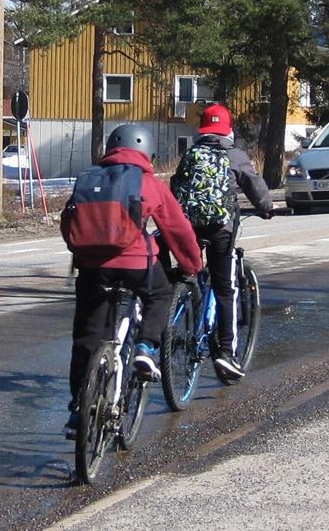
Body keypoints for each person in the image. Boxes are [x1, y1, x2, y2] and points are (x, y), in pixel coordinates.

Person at [64, 124, 203, 436]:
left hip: (91, 268)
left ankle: (78, 410)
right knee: (160, 294)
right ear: (147, 153)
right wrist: (192, 265)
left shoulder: (88, 178)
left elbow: (68, 222)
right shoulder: (148, 182)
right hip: (136, 265)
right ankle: (144, 348)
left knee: (87, 339)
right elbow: (176, 229)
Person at [171, 103, 274, 381]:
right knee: (225, 288)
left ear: (201, 130)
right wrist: (267, 207)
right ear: (228, 130)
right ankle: (226, 353)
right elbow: (255, 187)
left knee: (190, 272)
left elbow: (175, 186)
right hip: (220, 229)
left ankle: (183, 307)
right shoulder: (235, 155)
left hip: (189, 226)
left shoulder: (191, 154)